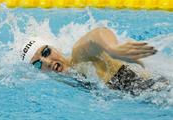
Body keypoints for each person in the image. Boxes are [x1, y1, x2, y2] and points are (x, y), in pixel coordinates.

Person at [21, 27, 168, 95]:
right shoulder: (68, 79)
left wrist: (112, 49)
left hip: (159, 88)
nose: (46, 62)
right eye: (38, 63)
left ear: (55, 47)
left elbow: (95, 36)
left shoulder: (78, 57)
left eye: (46, 52)